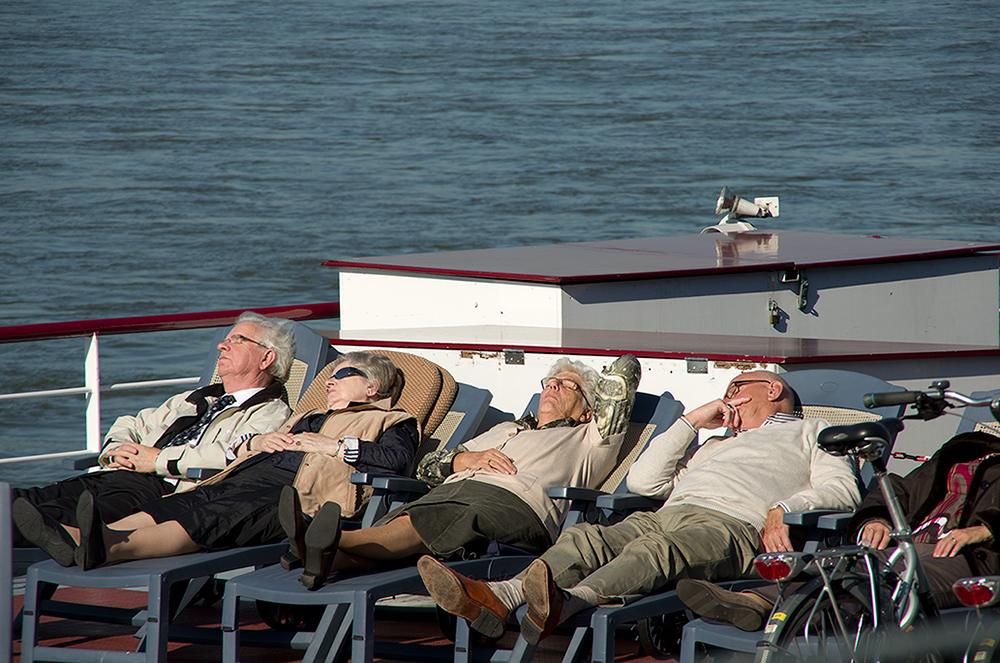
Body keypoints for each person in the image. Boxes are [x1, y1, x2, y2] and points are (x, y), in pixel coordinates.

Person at [419, 371, 862, 642]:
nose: (728, 400)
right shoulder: (716, 443)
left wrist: (784, 507)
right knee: (587, 536)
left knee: (653, 555)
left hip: (733, 527)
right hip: (667, 513)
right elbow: (645, 481)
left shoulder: (813, 433)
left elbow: (844, 488)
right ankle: (502, 596)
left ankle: (568, 602)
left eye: (735, 389)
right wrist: (691, 422)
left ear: (772, 388)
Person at [15, 351, 418, 572]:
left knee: (212, 517)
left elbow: (396, 460)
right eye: (329, 373)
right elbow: (239, 445)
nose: (330, 379)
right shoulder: (309, 415)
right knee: (178, 504)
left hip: (291, 492)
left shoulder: (393, 420)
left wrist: (330, 446)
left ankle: (107, 547)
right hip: (246, 472)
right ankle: (85, 536)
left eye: (342, 373)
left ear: (372, 386)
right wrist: (258, 439)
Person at [282, 354, 642, 590]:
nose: (553, 388)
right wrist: (463, 461)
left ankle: (329, 538)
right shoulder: (506, 429)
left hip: (515, 506)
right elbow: (427, 466)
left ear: (588, 410)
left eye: (566, 386)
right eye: (549, 383)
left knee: (429, 521)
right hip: (455, 492)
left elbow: (625, 373)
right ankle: (321, 552)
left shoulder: (592, 437)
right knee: (409, 518)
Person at [11, 311, 295, 553]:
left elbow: (235, 454)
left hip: (163, 490)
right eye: (226, 338)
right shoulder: (195, 398)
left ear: (266, 357)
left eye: (237, 340)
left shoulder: (270, 412)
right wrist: (116, 451)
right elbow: (132, 423)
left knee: (55, 517)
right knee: (30, 497)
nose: (222, 345)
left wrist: (157, 460)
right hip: (120, 473)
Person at [676, 429, 1000, 631]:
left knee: (880, 587)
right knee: (835, 564)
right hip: (905, 546)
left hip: (967, 557)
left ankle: (794, 617)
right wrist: (876, 518)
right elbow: (897, 487)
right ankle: (753, 601)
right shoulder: (964, 451)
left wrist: (983, 530)